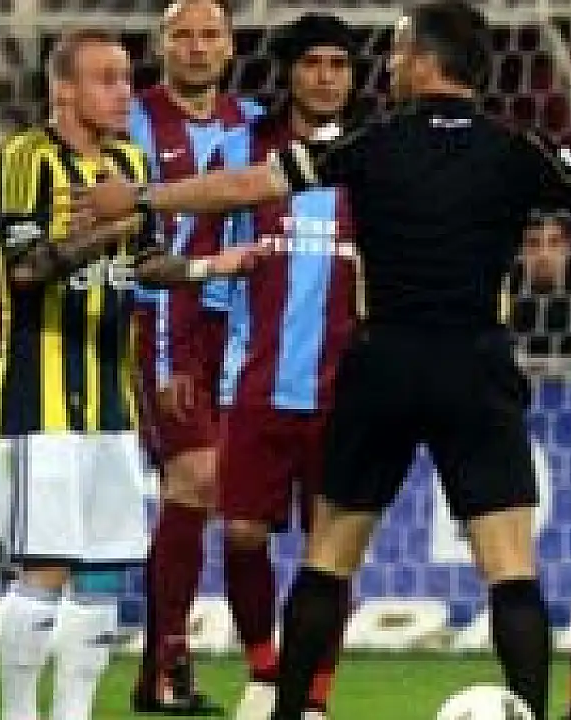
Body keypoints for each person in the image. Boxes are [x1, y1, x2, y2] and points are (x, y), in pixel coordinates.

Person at [71, 3, 571, 717]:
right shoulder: (518, 148)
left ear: (425, 60)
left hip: (382, 364)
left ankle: (291, 710)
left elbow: (249, 185)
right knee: (510, 570)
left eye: (396, 52)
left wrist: (140, 196)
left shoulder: (368, 139)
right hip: (475, 367)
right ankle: (528, 712)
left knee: (329, 558)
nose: (388, 67)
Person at [0, 30, 259, 720]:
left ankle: (74, 712)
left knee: (104, 571)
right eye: (105, 79)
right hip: (42, 393)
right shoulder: (28, 157)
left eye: (126, 79)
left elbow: (147, 265)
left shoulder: (130, 163)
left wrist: (210, 267)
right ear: (64, 89)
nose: (122, 93)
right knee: (45, 565)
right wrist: (109, 229)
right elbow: (26, 270)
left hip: (113, 396)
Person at [209, 13, 359, 720]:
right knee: (243, 534)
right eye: (312, 64)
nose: (325, 78)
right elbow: (206, 263)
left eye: (339, 64)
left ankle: (317, 697)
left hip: (344, 394)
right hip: (255, 384)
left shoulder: (370, 161)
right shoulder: (243, 151)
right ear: (289, 73)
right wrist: (192, 362)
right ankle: (266, 672)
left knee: (332, 552)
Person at [126, 0, 262, 712]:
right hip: (160, 320)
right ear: (162, 46)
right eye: (184, 35)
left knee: (220, 496)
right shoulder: (134, 121)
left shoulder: (254, 122)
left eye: (211, 35)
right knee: (195, 477)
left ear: (231, 46)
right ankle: (166, 665)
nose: (198, 47)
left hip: (234, 327)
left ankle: (171, 667)